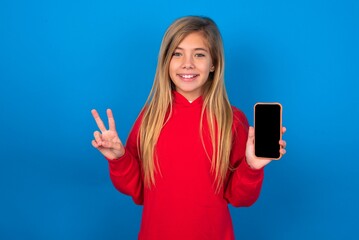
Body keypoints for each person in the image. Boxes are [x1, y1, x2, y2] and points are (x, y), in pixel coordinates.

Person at [91, 16, 287, 240]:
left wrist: (252, 166)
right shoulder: (150, 117)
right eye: (177, 53)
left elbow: (241, 198)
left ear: (214, 63)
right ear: (166, 61)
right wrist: (119, 158)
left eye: (199, 54)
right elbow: (136, 188)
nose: (188, 63)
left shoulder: (231, 120)